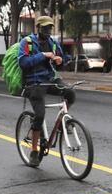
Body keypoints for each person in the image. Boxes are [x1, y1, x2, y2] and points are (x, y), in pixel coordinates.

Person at [18, 15, 75, 167]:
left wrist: (62, 60)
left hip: (49, 79)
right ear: (38, 28)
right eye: (45, 28)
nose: (48, 31)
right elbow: (23, 62)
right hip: (33, 83)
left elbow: (62, 58)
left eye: (50, 28)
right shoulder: (27, 42)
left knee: (70, 93)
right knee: (40, 114)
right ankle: (34, 151)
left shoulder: (53, 43)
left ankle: (64, 121)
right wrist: (43, 55)